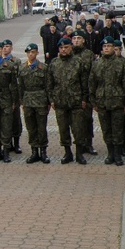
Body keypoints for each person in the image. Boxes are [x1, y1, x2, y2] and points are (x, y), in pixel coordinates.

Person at [89, 37, 125, 166]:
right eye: (104, 46)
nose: (106, 48)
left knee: (118, 129)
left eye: (109, 46)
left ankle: (118, 154)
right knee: (106, 129)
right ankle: (110, 153)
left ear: (114, 48)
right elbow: (92, 84)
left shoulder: (121, 64)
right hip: (102, 101)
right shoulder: (97, 64)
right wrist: (93, 102)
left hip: (117, 101)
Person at [48, 37, 90, 165]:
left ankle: (79, 154)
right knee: (63, 129)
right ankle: (67, 153)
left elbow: (84, 83)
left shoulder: (78, 62)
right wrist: (52, 100)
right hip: (60, 103)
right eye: (61, 48)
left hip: (76, 102)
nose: (63, 50)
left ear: (70, 47)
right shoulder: (54, 63)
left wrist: (84, 99)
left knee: (78, 129)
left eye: (66, 47)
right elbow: (50, 84)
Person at [18, 43, 51, 164]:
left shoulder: (44, 67)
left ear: (37, 53)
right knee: (31, 128)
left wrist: (48, 101)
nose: (31, 54)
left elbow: (48, 85)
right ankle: (34, 152)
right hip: (28, 101)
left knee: (41, 127)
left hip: (40, 99)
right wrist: (21, 101)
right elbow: (20, 86)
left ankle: (43, 152)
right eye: (29, 52)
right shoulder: (22, 68)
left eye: (33, 52)